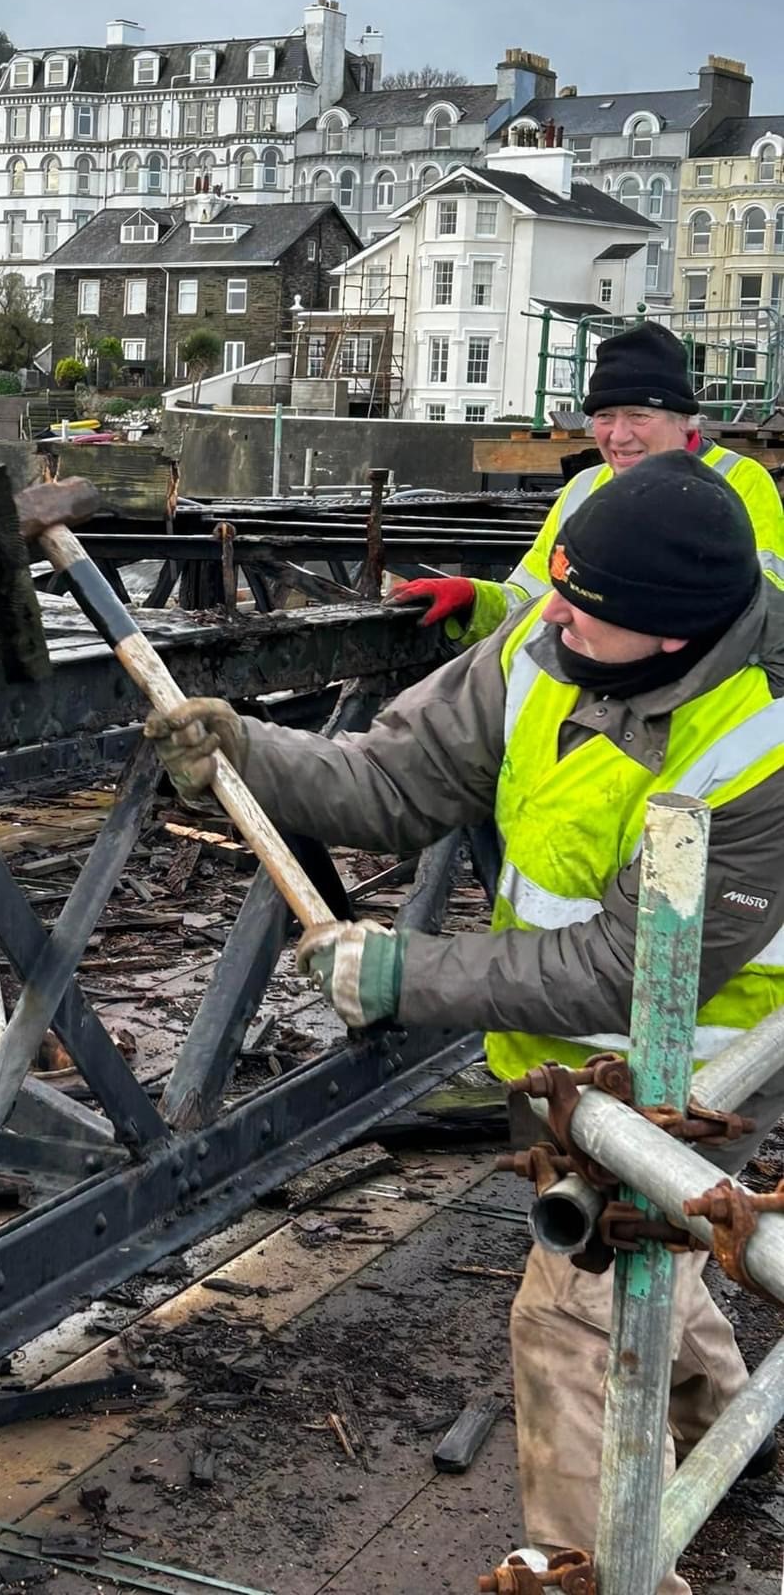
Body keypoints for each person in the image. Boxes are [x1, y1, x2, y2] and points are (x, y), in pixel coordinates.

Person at [145, 452, 784, 1594]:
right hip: (560, 1067)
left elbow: (625, 965)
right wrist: (249, 750)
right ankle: (727, 1427)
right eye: (564, 595)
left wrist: (403, 974)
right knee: (660, 1275)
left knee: (574, 1319)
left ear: (682, 633)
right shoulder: (548, 644)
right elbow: (394, 780)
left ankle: (598, 1572)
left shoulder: (763, 741)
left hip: (702, 1069)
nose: (560, 624)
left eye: (592, 615)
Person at [391, 320, 784, 647]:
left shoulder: (739, 481)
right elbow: (531, 597)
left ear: (684, 421)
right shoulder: (584, 486)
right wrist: (475, 599)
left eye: (639, 416)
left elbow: (764, 607)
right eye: (605, 417)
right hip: (583, 679)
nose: (619, 435)